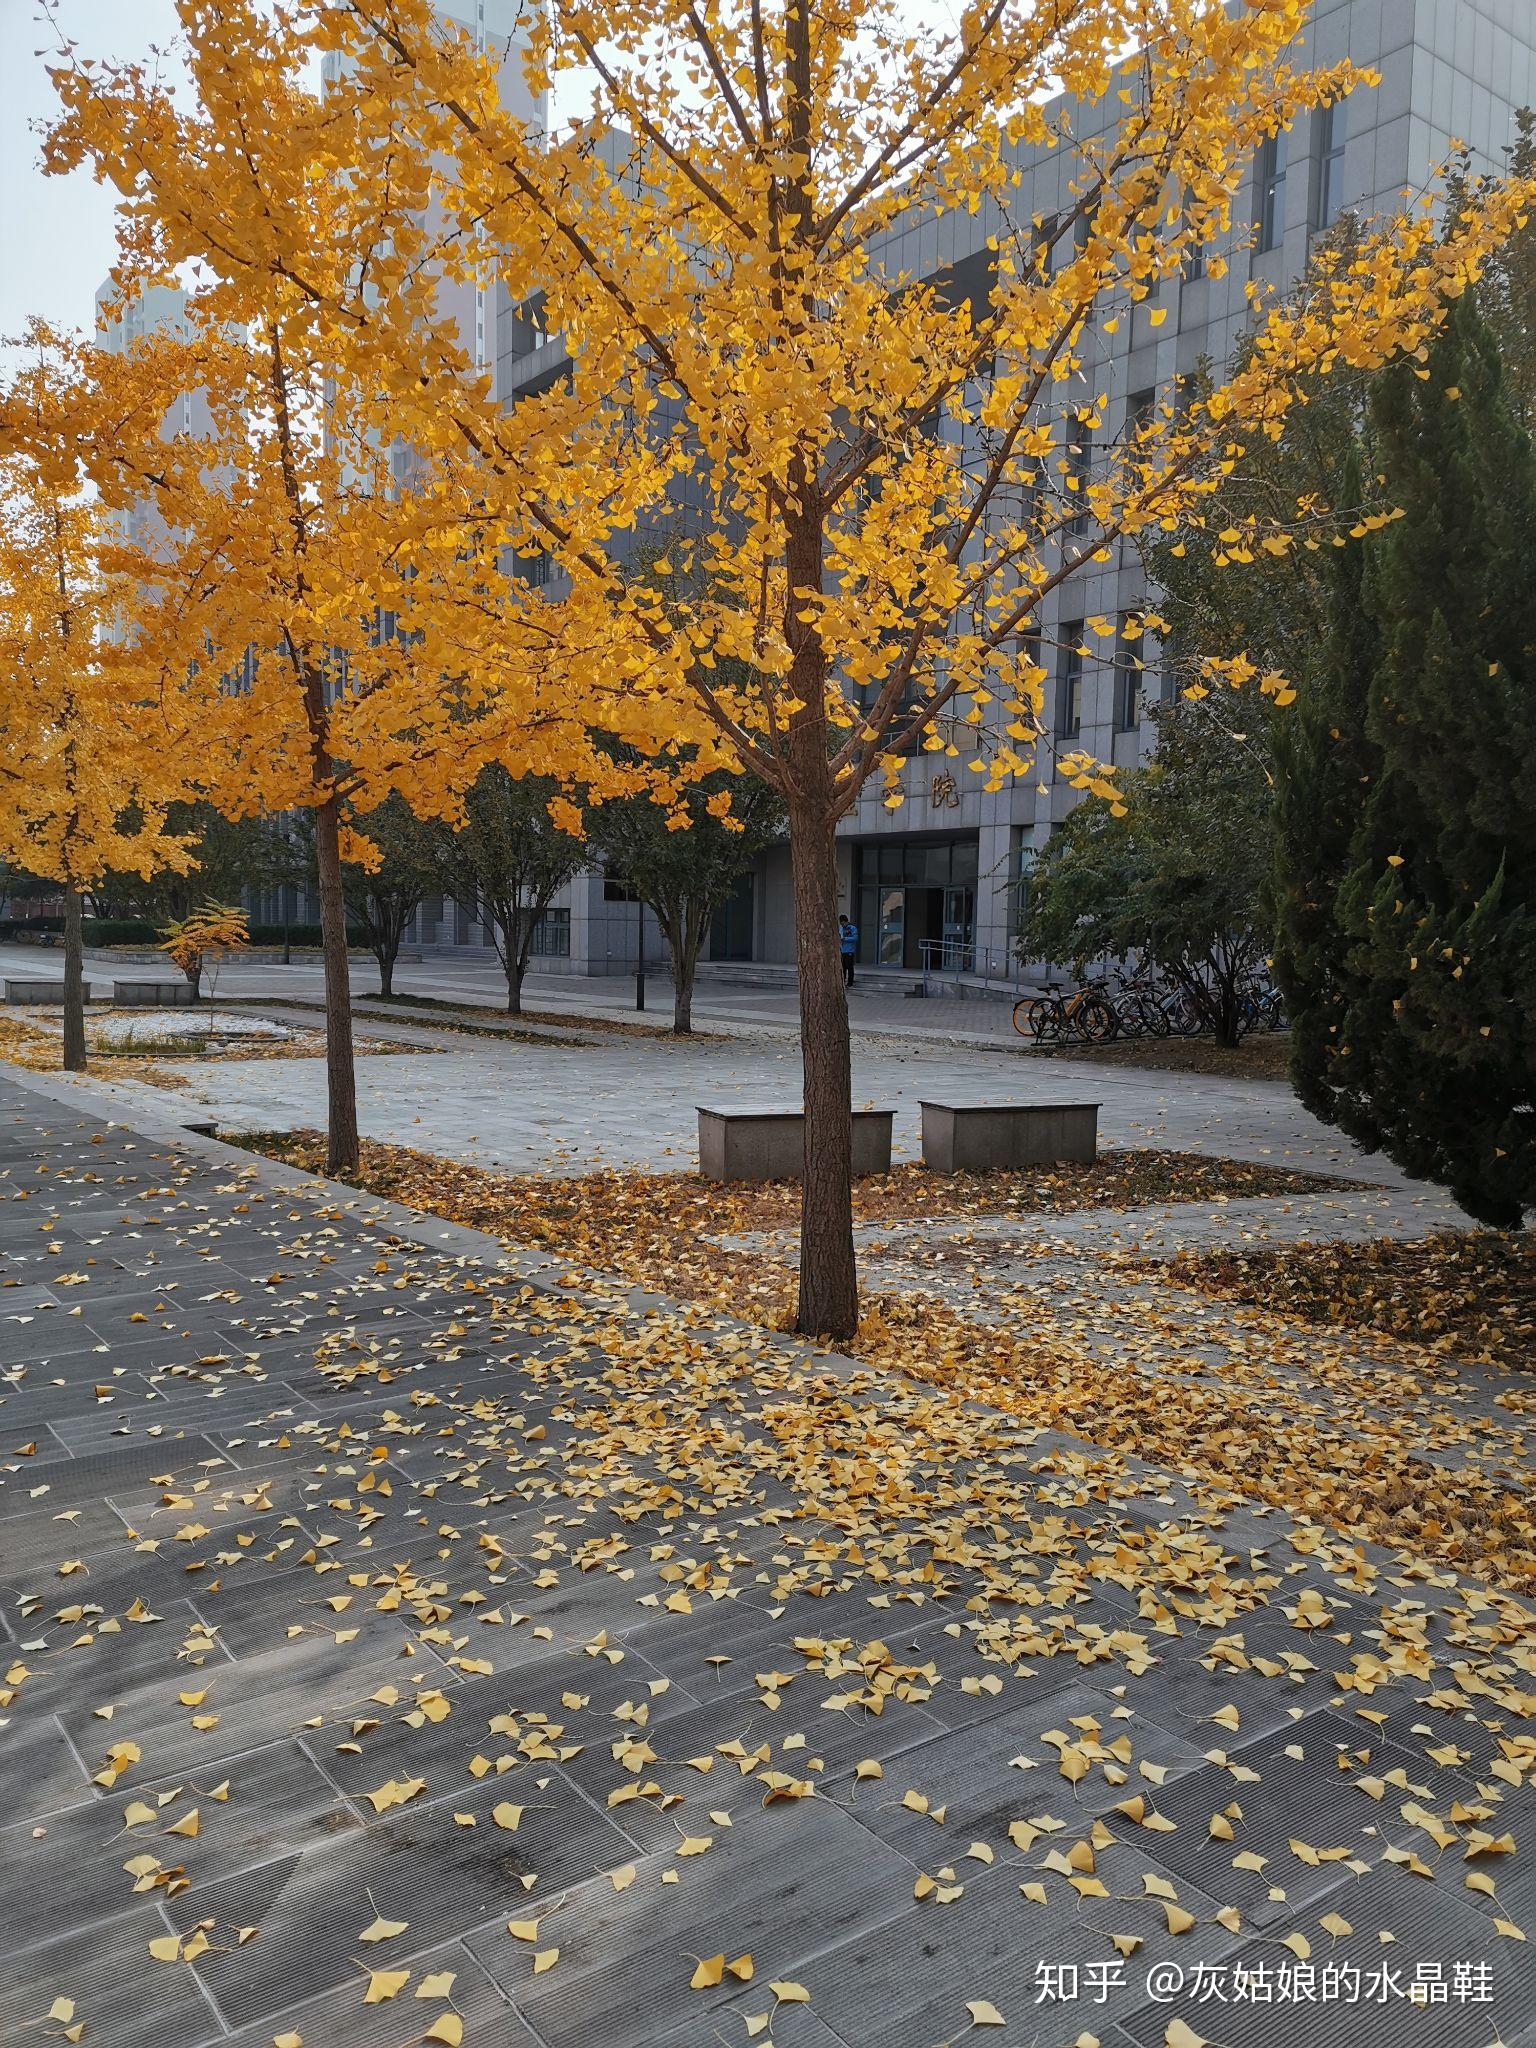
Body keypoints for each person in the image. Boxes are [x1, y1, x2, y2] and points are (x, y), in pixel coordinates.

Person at [838, 912, 858, 987]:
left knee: (849, 967)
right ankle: (842, 981)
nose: (842, 925)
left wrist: (845, 939)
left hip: (849, 950)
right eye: (841, 924)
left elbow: (855, 938)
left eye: (843, 923)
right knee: (842, 968)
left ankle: (850, 982)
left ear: (846, 921)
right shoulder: (841, 929)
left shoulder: (852, 928)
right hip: (842, 950)